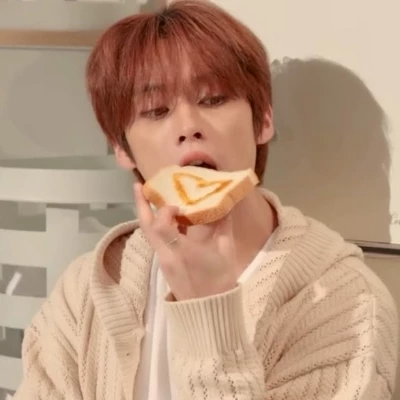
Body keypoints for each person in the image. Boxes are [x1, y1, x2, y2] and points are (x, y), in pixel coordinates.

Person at [13, 1, 398, 399]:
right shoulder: (85, 294)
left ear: (263, 120)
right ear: (122, 149)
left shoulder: (348, 307)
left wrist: (209, 312)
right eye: (156, 110)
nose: (188, 126)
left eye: (212, 99)